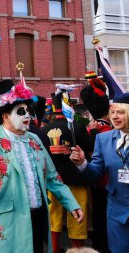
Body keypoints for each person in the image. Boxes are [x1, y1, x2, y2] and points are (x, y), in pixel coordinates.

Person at [0, 83, 84, 253]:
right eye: (21, 111)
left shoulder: (35, 139)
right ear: (5, 117)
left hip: (37, 219)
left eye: (28, 111)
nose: (27, 115)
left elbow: (52, 177)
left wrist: (72, 204)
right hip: (6, 223)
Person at [70, 93, 129, 253]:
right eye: (113, 112)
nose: (115, 117)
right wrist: (83, 163)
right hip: (118, 214)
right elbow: (95, 173)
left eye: (121, 112)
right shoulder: (103, 139)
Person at [41, 90, 94, 252]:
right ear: (69, 105)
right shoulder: (77, 127)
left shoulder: (44, 130)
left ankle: (54, 249)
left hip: (54, 183)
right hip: (76, 180)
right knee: (78, 219)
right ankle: (77, 250)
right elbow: (92, 147)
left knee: (54, 219)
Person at [80, 69, 112, 253]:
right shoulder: (103, 131)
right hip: (102, 180)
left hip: (101, 181)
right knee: (102, 217)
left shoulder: (96, 130)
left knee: (101, 217)